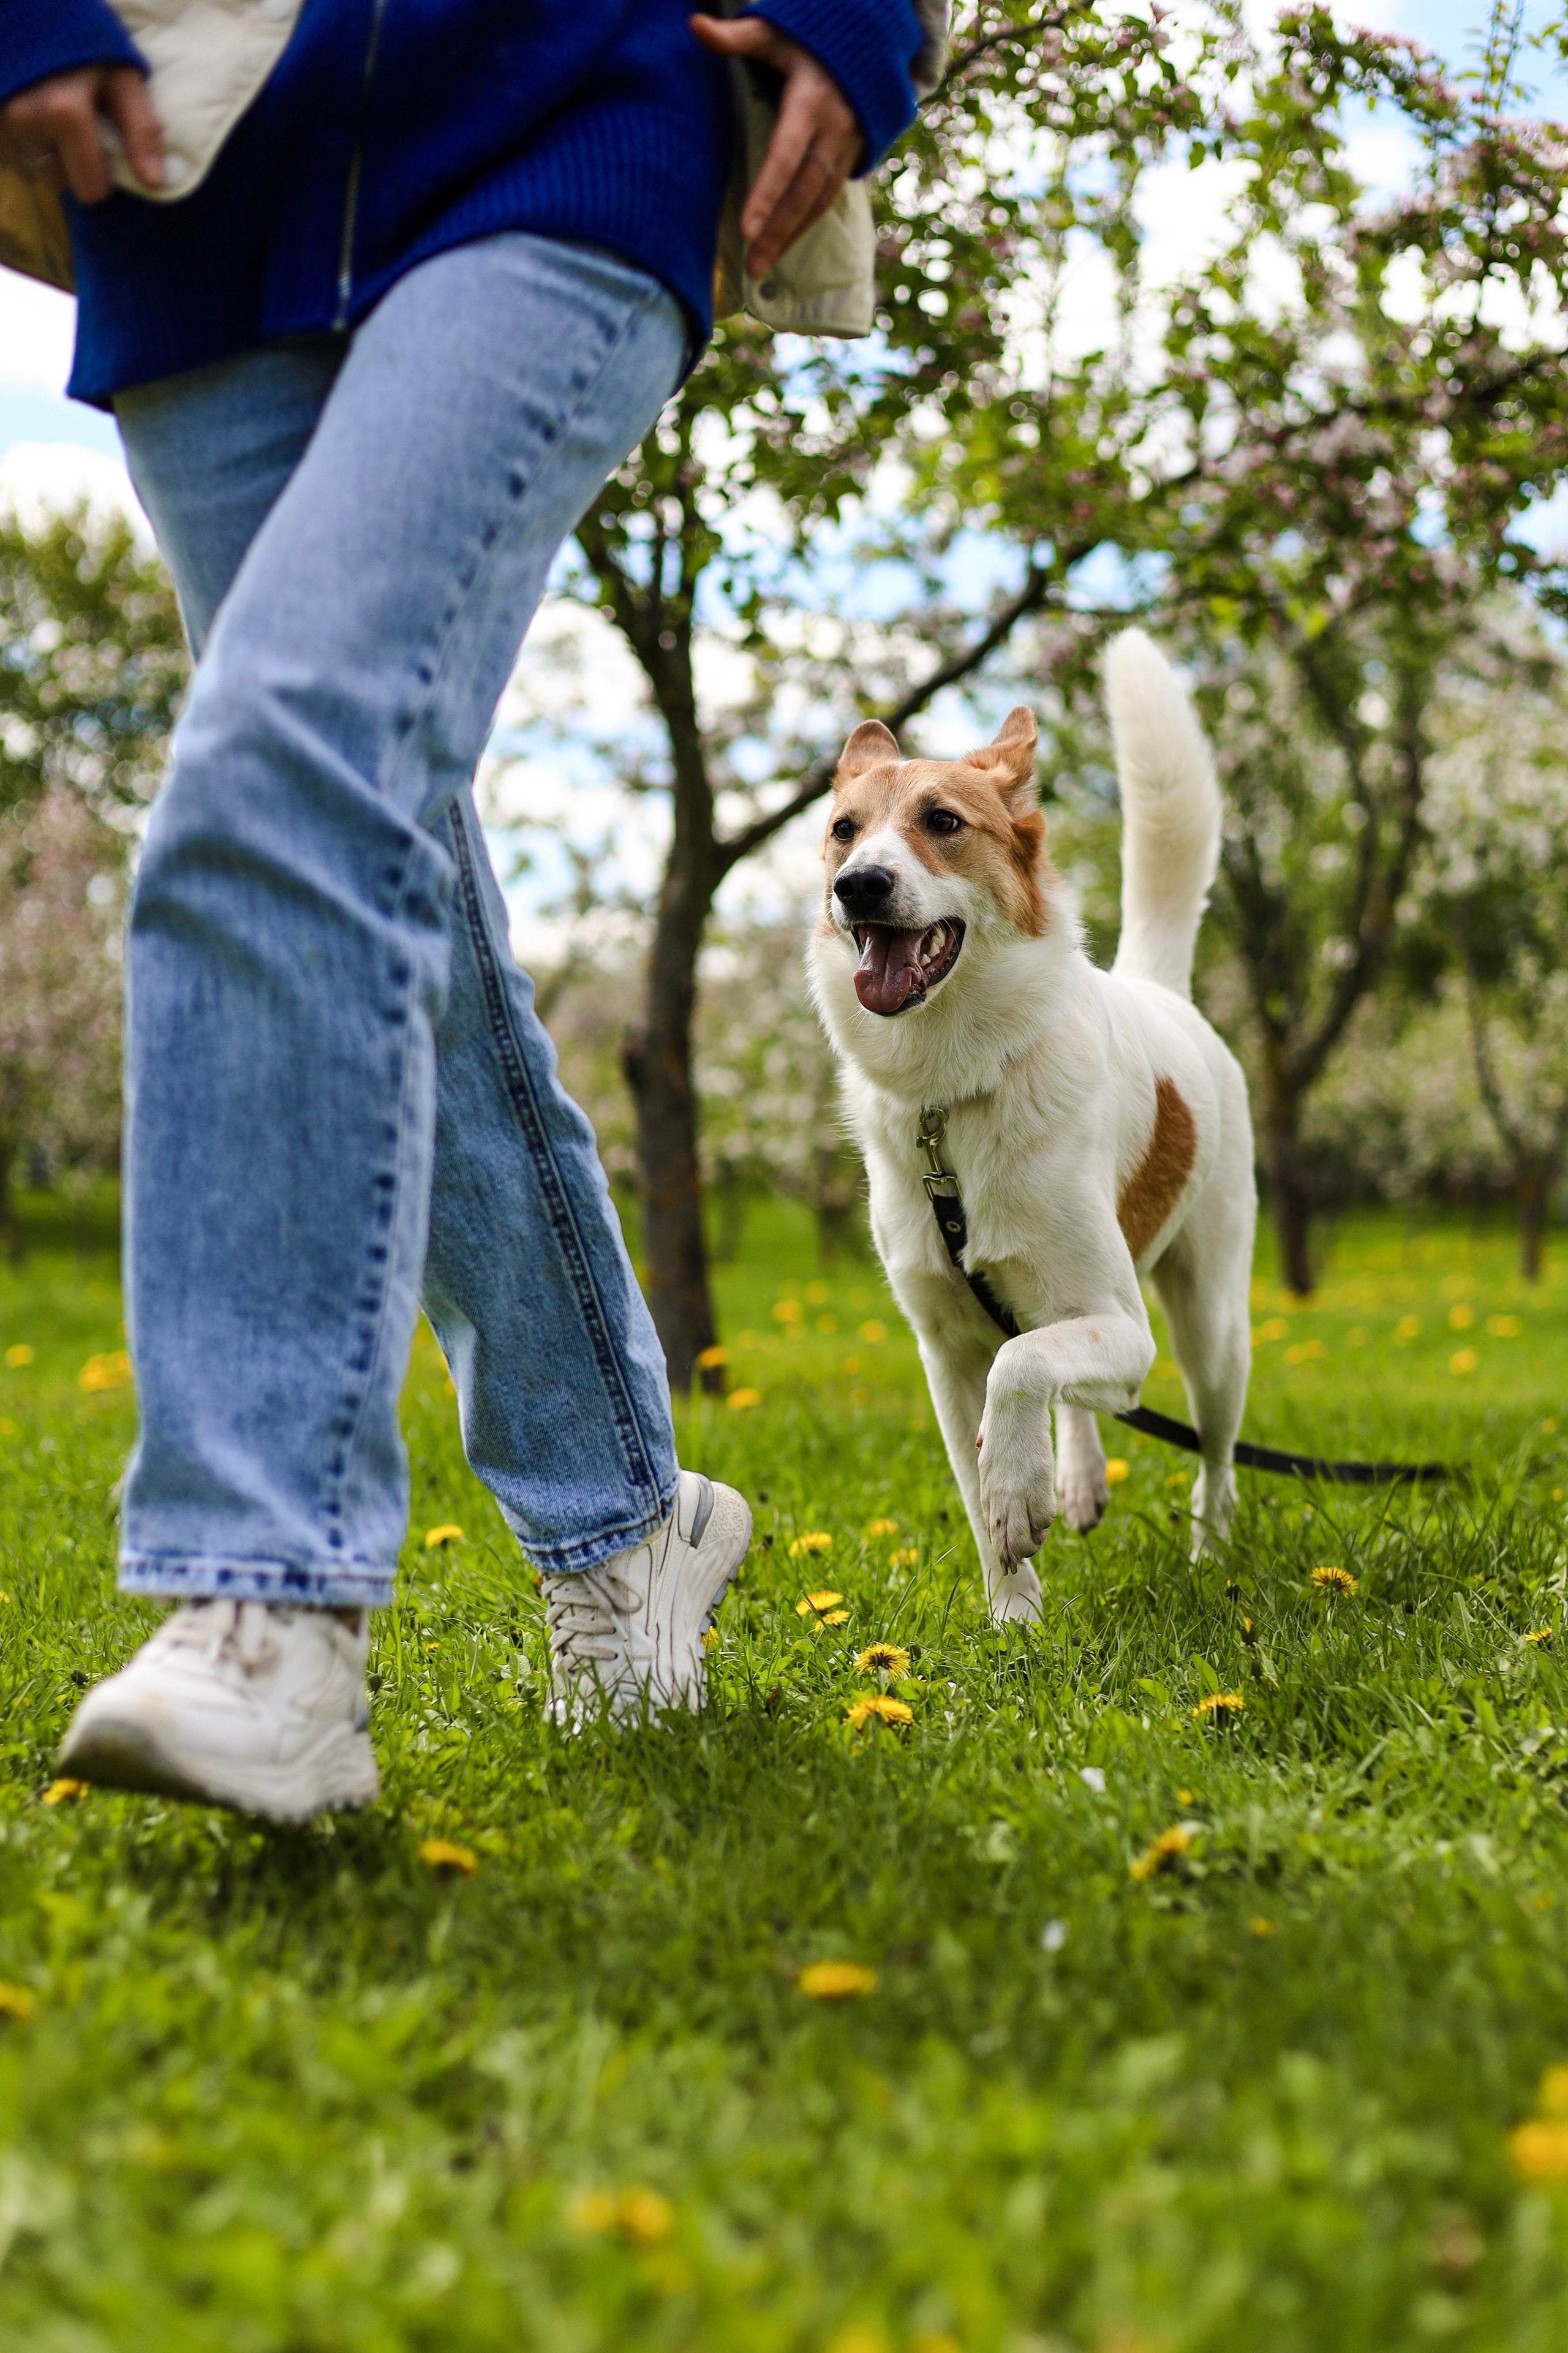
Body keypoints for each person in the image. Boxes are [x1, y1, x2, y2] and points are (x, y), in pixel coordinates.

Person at [0, 0, 930, 1819]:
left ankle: (267, 1602)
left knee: (275, 784)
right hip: (191, 150)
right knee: (371, 859)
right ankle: (625, 1521)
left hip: (569, 105)